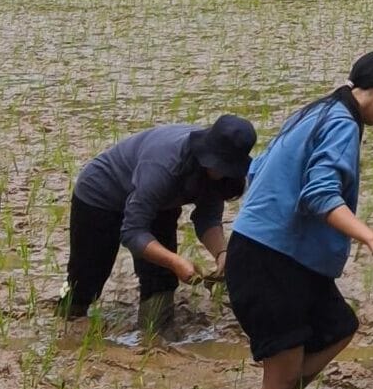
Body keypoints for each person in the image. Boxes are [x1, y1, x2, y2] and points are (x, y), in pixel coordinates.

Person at [225, 50, 373, 389]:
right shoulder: (342, 122)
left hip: (279, 255)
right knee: (280, 380)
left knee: (337, 327)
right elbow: (320, 195)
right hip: (269, 259)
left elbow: (258, 169)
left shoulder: (315, 112)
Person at [59, 114, 257, 333]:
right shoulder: (163, 165)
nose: (221, 173)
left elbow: (207, 217)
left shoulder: (219, 176)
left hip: (161, 203)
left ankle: (154, 335)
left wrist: (221, 254)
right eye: (219, 167)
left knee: (161, 279)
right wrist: (175, 261)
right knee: (86, 278)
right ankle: (68, 318)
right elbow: (133, 232)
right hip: (100, 196)